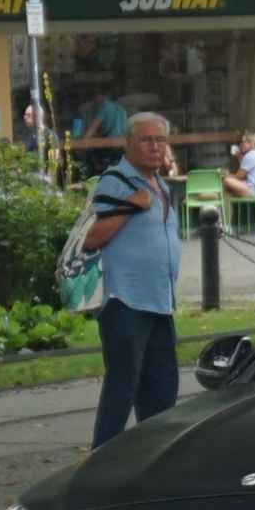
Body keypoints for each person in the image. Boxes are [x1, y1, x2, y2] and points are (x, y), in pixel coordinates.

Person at [78, 112, 183, 448]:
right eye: (146, 140)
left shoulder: (162, 185)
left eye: (160, 140)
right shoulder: (115, 181)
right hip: (125, 302)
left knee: (162, 388)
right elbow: (92, 238)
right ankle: (101, 461)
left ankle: (153, 459)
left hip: (159, 301)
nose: (155, 147)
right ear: (129, 143)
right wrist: (128, 206)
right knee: (123, 387)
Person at [221, 128, 255, 202]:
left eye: (242, 142)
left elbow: (238, 177)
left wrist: (224, 176)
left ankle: (223, 206)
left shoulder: (250, 156)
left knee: (227, 181)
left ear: (250, 143)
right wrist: (239, 156)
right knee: (230, 191)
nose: (240, 145)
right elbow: (244, 171)